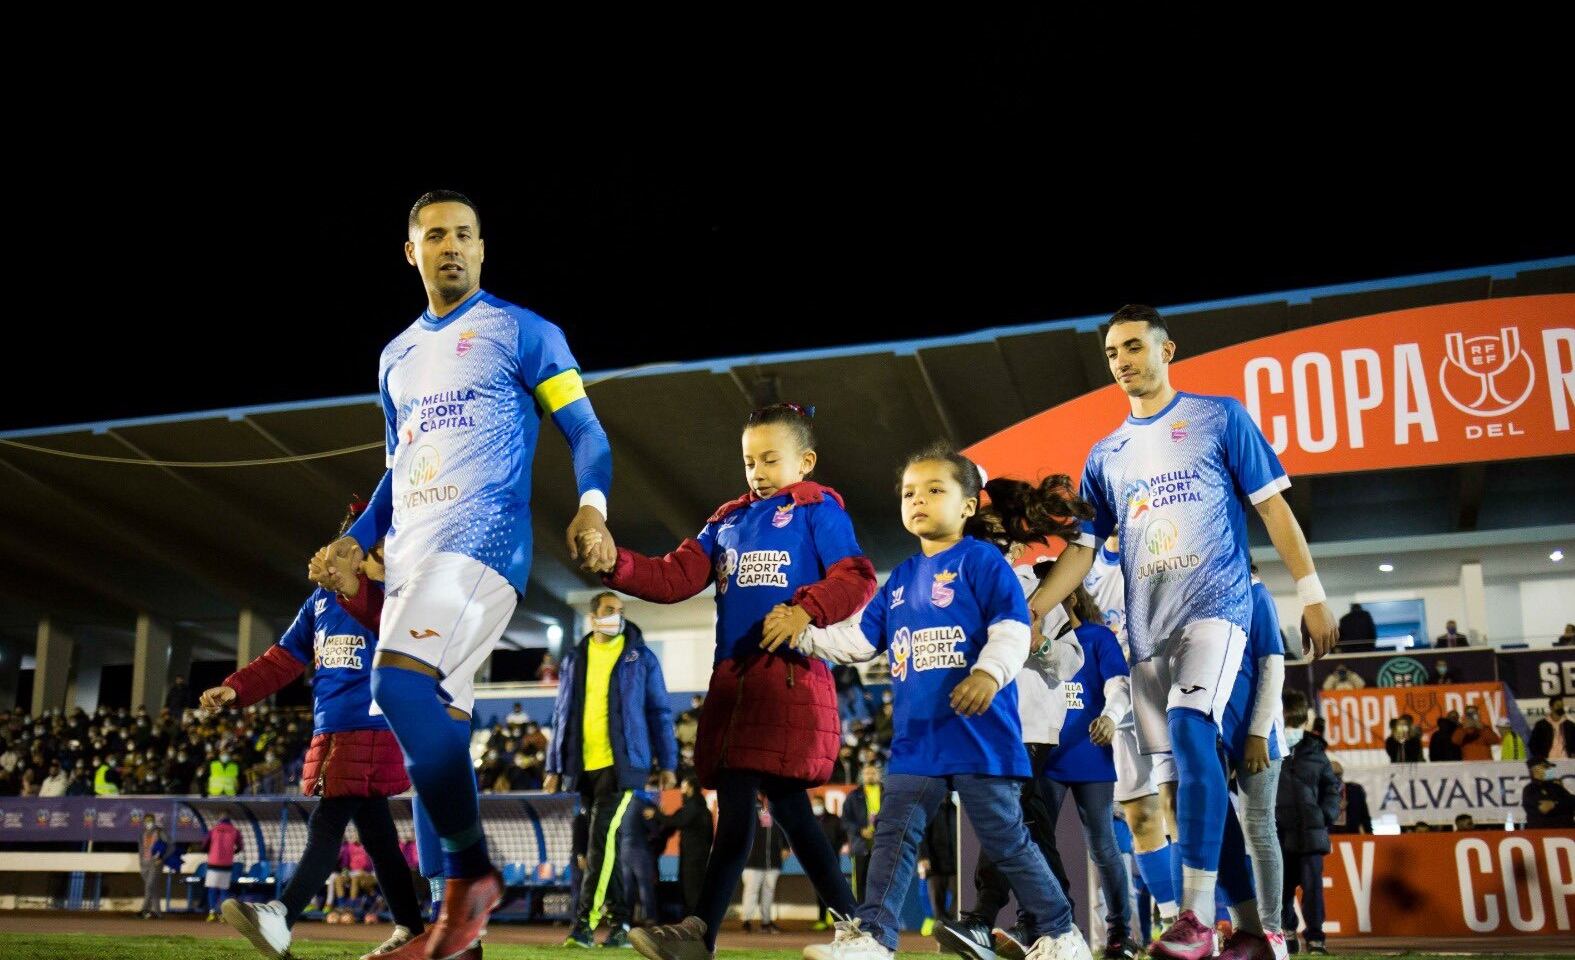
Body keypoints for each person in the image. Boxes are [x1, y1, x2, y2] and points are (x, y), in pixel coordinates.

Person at [313, 189, 617, 960]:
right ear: (410, 252)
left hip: (481, 548)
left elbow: (586, 431)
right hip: (414, 565)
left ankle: (474, 876)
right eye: (435, 236)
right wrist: (354, 540)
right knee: (430, 744)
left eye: (465, 235)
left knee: (397, 685)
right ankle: (457, 940)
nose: (452, 246)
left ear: (482, 248)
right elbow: (398, 469)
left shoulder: (524, 331)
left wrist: (591, 507)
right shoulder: (394, 358)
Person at [1028, 304, 1338, 960]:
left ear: (1167, 350)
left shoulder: (1218, 416)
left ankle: (1195, 921)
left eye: (1133, 347)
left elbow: (1272, 505)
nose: (1122, 362)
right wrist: (1034, 610)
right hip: (1149, 635)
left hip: (1216, 610)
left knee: (1195, 736)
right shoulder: (1103, 454)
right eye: (1112, 353)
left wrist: (1310, 593)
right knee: (1186, 784)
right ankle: (1251, 929)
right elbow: (1082, 552)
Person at [590, 402, 878, 960]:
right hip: (734, 687)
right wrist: (615, 564)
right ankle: (844, 928)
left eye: (771, 459)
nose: (758, 471)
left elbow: (857, 576)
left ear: (806, 461)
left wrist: (805, 611)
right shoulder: (725, 522)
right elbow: (674, 577)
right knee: (763, 809)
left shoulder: (818, 511)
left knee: (769, 809)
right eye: (750, 461)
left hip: (789, 682)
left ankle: (711, 930)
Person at [786, 446, 1093, 960]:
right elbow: (859, 641)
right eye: (909, 492)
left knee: (1007, 842)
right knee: (892, 836)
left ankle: (1062, 933)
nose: (918, 500)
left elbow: (1014, 628)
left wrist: (988, 674)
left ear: (969, 506)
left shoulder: (983, 562)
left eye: (934, 490)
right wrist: (803, 634)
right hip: (917, 740)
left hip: (979, 733)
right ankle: (875, 939)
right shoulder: (902, 577)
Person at [213, 508, 427, 960]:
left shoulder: (395, 598)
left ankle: (281, 918)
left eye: (354, 551)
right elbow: (282, 659)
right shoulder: (320, 603)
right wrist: (234, 689)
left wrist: (357, 591)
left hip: (371, 726)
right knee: (379, 837)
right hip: (333, 729)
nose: (342, 558)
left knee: (327, 822)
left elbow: (398, 632)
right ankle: (413, 929)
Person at [546, 591, 678, 947]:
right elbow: (561, 714)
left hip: (624, 767)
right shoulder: (576, 657)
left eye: (620, 611)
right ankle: (620, 925)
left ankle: (584, 925)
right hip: (584, 765)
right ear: (592, 617)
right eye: (608, 610)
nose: (616, 616)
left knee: (600, 840)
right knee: (609, 845)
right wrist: (554, 766)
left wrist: (667, 763)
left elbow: (659, 712)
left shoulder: (641, 658)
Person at [1036, 577, 1140, 960]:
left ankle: (1120, 934)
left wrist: (1111, 717)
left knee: (1103, 847)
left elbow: (1119, 684)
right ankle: (1054, 927)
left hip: (1091, 754)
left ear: (1072, 596)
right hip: (1045, 757)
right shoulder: (1036, 640)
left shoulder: (1098, 637)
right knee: (1039, 846)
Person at [1213, 567, 1289, 960]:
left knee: (1258, 829)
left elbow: (1273, 666)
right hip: (1214, 733)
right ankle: (1245, 928)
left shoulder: (1257, 595)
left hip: (1256, 737)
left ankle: (1273, 933)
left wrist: (1258, 731)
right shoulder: (1209, 595)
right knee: (1222, 832)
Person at [1276, 692, 1339, 957]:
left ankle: (1316, 939)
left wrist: (1325, 815)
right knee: (1281, 890)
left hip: (1312, 833)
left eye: (1296, 724)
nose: (1292, 730)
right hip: (1279, 833)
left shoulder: (1316, 752)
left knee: (1313, 889)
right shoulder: (1267, 748)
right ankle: (1288, 930)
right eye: (1288, 724)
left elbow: (1331, 788)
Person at [646, 775, 713, 917]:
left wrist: (656, 814)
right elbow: (675, 820)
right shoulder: (696, 806)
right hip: (695, 856)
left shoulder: (694, 806)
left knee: (690, 889)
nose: (681, 790)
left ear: (690, 788)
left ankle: (692, 920)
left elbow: (677, 821)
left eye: (683, 786)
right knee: (689, 888)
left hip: (693, 857)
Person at [740, 801, 788, 934]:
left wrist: (785, 846)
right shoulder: (752, 811)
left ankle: (765, 922)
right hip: (753, 862)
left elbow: (780, 831)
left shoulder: (770, 813)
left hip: (771, 861)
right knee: (752, 891)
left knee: (767, 891)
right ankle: (747, 921)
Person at [841, 763, 883, 903]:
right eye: (867, 773)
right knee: (859, 883)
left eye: (873, 772)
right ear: (862, 775)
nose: (870, 776)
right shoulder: (854, 796)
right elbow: (846, 821)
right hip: (860, 846)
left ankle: (877, 916)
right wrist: (860, 830)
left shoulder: (887, 794)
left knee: (880, 883)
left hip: (882, 845)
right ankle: (859, 915)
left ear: (879, 774)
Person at [917, 793, 957, 937]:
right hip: (934, 863)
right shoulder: (929, 809)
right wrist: (923, 856)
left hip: (955, 864)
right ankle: (943, 933)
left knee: (958, 896)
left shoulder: (955, 809)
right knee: (937, 902)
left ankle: (950, 925)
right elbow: (922, 834)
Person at [204, 814, 244, 921]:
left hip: (213, 863)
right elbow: (240, 846)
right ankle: (223, 915)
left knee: (212, 889)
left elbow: (205, 844)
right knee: (224, 890)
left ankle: (212, 912)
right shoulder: (235, 831)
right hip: (226, 864)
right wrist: (232, 852)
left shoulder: (214, 830)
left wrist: (211, 852)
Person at [1522, 758, 1575, 827]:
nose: (1550, 770)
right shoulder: (1530, 789)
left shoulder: (1556, 786)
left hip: (1565, 830)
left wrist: (1555, 804)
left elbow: (1572, 801)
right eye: (1546, 767)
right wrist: (1561, 804)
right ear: (1535, 770)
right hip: (1544, 832)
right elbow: (1544, 808)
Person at [138, 813, 170, 919]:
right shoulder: (142, 834)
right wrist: (141, 862)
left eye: (150, 820)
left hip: (155, 863)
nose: (148, 822)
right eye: (146, 820)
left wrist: (161, 858)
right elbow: (141, 849)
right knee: (153, 888)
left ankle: (144, 910)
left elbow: (168, 846)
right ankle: (157, 913)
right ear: (143, 822)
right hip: (144, 863)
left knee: (149, 886)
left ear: (154, 820)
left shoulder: (160, 832)